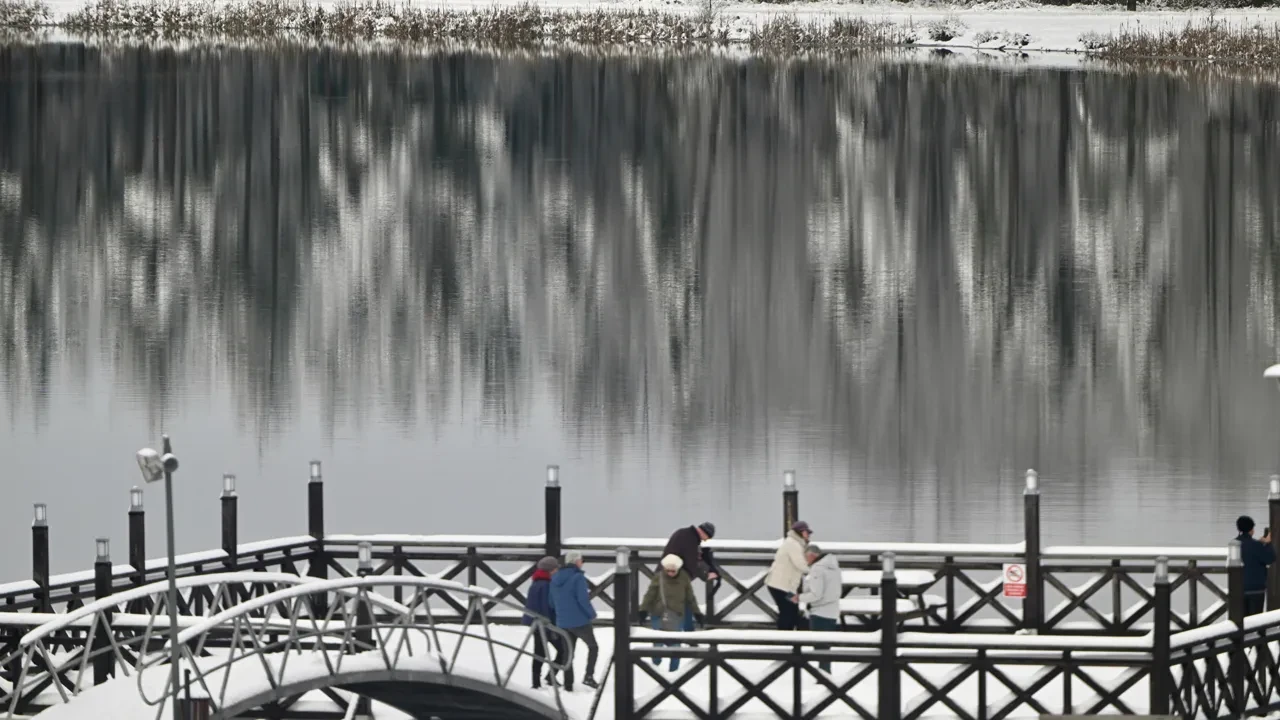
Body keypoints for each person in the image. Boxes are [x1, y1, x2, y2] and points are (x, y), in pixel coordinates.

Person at [638, 554, 703, 672]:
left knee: (675, 648)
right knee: (657, 646)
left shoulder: (684, 578)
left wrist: (697, 613)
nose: (670, 573)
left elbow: (690, 598)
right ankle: (654, 672)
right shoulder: (659, 577)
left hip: (677, 616)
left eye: (673, 571)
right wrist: (643, 610)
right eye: (668, 571)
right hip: (658, 614)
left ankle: (673, 675)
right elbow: (650, 595)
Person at [548, 550, 599, 690]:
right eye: (581, 560)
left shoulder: (555, 579)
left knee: (568, 653)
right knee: (593, 647)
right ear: (576, 561)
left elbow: (551, 602)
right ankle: (588, 676)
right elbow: (582, 599)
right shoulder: (578, 578)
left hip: (563, 622)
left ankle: (568, 684)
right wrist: (592, 614)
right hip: (580, 621)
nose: (582, 563)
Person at [663, 522, 719, 631]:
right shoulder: (691, 540)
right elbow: (693, 563)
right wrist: (706, 575)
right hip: (675, 577)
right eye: (707, 537)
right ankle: (683, 635)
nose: (706, 540)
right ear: (704, 532)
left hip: (668, 573)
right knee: (682, 605)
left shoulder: (684, 533)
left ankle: (686, 634)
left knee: (683, 604)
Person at [794, 543, 841, 672]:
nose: (805, 560)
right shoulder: (834, 567)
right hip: (832, 610)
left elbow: (816, 594)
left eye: (806, 557)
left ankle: (823, 677)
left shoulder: (817, 569)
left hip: (820, 611)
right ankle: (825, 674)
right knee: (825, 648)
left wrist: (799, 598)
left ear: (812, 555)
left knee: (819, 648)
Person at [522, 556, 566, 689]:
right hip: (546, 624)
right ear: (550, 570)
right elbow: (547, 607)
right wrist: (552, 627)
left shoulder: (536, 583)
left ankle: (536, 682)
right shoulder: (547, 585)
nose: (557, 570)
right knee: (564, 651)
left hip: (537, 624)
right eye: (555, 568)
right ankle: (549, 676)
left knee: (539, 653)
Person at [766, 520, 812, 630]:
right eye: (807, 532)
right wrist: (815, 570)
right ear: (800, 532)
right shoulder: (793, 544)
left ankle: (790, 640)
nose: (809, 535)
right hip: (781, 586)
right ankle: (785, 640)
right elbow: (801, 564)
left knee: (792, 611)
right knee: (788, 613)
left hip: (785, 587)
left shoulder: (794, 543)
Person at [1236, 515, 1276, 616]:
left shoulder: (1234, 544)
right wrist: (1267, 544)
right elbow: (1270, 559)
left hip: (1238, 588)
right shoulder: (1256, 545)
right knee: (1255, 620)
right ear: (1251, 529)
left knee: (1240, 620)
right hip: (1256, 589)